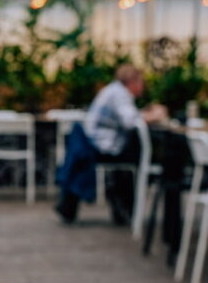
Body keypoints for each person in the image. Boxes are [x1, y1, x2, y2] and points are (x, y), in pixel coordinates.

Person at [56, 64, 166, 225]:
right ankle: (123, 204)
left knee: (135, 156)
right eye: (141, 82)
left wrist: (145, 113)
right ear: (132, 82)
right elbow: (130, 122)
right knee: (140, 158)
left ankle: (120, 204)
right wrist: (155, 115)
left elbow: (127, 116)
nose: (142, 86)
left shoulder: (113, 90)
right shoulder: (120, 94)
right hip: (101, 145)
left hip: (90, 142)